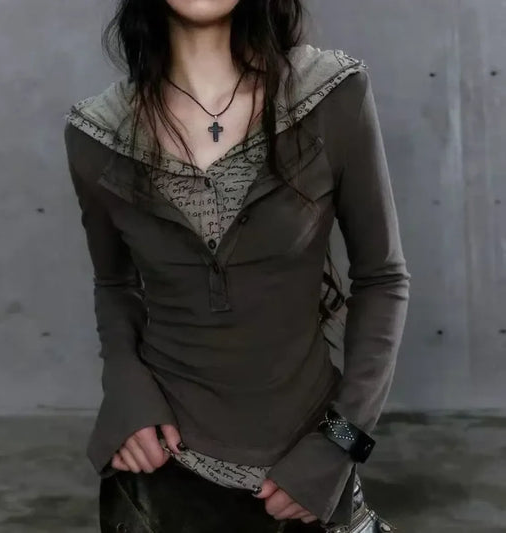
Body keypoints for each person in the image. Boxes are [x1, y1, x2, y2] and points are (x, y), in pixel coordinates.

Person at [63, 1, 411, 531]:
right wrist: (125, 390)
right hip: (160, 471)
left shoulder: (331, 94)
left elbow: (382, 278)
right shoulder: (97, 132)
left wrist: (341, 444)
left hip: (308, 459)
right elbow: (114, 283)